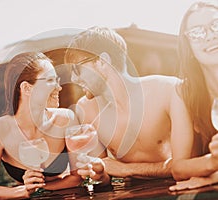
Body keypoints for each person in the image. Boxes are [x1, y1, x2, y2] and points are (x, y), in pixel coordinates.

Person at [64, 26, 194, 182]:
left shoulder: (168, 90)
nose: (73, 78)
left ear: (102, 61)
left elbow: (185, 165)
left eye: (77, 69)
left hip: (180, 188)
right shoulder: (86, 109)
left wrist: (125, 169)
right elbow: (104, 177)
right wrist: (99, 174)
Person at [0, 52, 82, 199]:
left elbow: (78, 178)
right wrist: (24, 191)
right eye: (51, 80)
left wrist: (39, 188)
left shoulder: (65, 119)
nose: (59, 87)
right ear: (26, 88)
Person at [168, 1, 218, 191]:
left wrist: (214, 176)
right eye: (197, 32)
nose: (210, 36)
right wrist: (213, 163)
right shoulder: (184, 93)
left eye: (216, 25)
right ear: (188, 47)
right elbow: (178, 168)